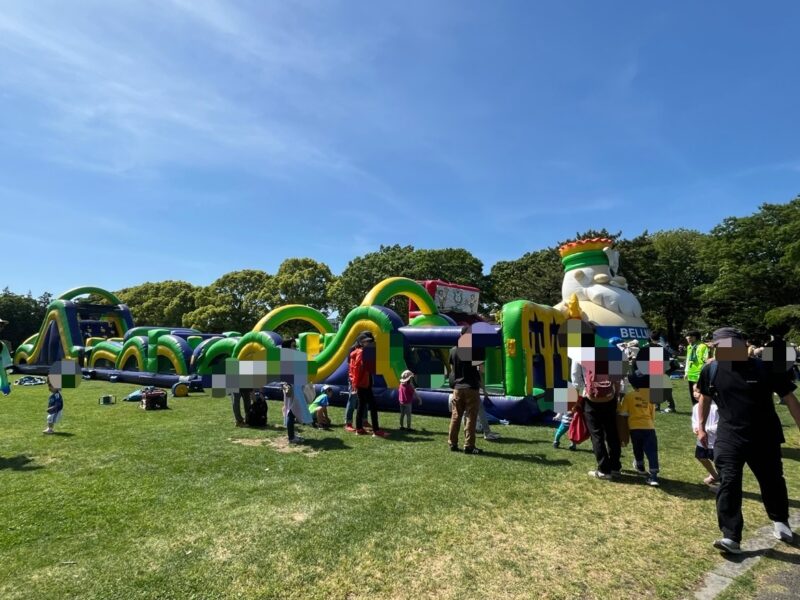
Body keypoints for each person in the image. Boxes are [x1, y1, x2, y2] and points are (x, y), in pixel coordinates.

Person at [696, 327, 800, 554]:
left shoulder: (766, 368)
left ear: (743, 342)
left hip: (765, 436)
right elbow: (704, 396)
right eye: (719, 346)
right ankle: (731, 536)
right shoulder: (711, 370)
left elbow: (790, 399)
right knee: (729, 482)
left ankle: (780, 520)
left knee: (772, 480)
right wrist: (701, 427)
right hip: (729, 437)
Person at [572, 333, 623, 479]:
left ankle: (603, 469)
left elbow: (576, 380)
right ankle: (615, 467)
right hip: (609, 398)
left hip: (591, 400)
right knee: (612, 433)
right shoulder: (611, 351)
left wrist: (577, 401)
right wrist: (616, 396)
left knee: (597, 435)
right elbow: (618, 380)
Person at [617, 371, 660, 486]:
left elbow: (623, 413)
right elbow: (652, 415)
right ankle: (654, 475)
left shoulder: (629, 396)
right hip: (649, 427)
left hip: (634, 428)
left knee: (637, 447)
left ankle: (640, 466)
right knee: (652, 451)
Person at [448, 327, 482, 454]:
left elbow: (452, 370)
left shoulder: (453, 350)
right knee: (471, 417)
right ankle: (469, 445)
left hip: (457, 388)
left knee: (455, 416)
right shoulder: (475, 350)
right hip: (471, 387)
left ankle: (452, 443)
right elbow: (481, 369)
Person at [349, 332, 388, 438]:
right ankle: (376, 430)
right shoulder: (361, 352)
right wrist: (356, 384)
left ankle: (359, 429)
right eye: (366, 341)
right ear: (361, 342)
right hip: (364, 383)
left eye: (369, 341)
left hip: (362, 383)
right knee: (372, 406)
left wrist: (355, 384)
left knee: (361, 406)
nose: (369, 343)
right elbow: (357, 369)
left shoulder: (356, 351)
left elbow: (353, 370)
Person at [691, 387, 720, 488]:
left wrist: (705, 429)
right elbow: (695, 420)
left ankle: (723, 483)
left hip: (715, 440)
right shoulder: (696, 407)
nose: (695, 394)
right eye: (693, 391)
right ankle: (714, 475)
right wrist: (695, 428)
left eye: (698, 392)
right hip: (702, 440)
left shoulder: (716, 407)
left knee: (719, 461)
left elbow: (719, 424)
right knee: (701, 457)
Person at [647, 331, 676, 413]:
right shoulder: (663, 347)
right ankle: (665, 406)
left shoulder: (651, 347)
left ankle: (664, 406)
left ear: (651, 338)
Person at [684, 330, 709, 408]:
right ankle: (695, 409)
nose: (688, 339)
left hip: (699, 372)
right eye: (687, 337)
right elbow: (688, 359)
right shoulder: (689, 347)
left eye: (691, 337)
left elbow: (706, 360)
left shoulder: (702, 346)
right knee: (692, 393)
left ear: (696, 337)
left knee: (698, 393)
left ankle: (702, 409)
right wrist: (686, 371)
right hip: (691, 373)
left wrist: (703, 372)